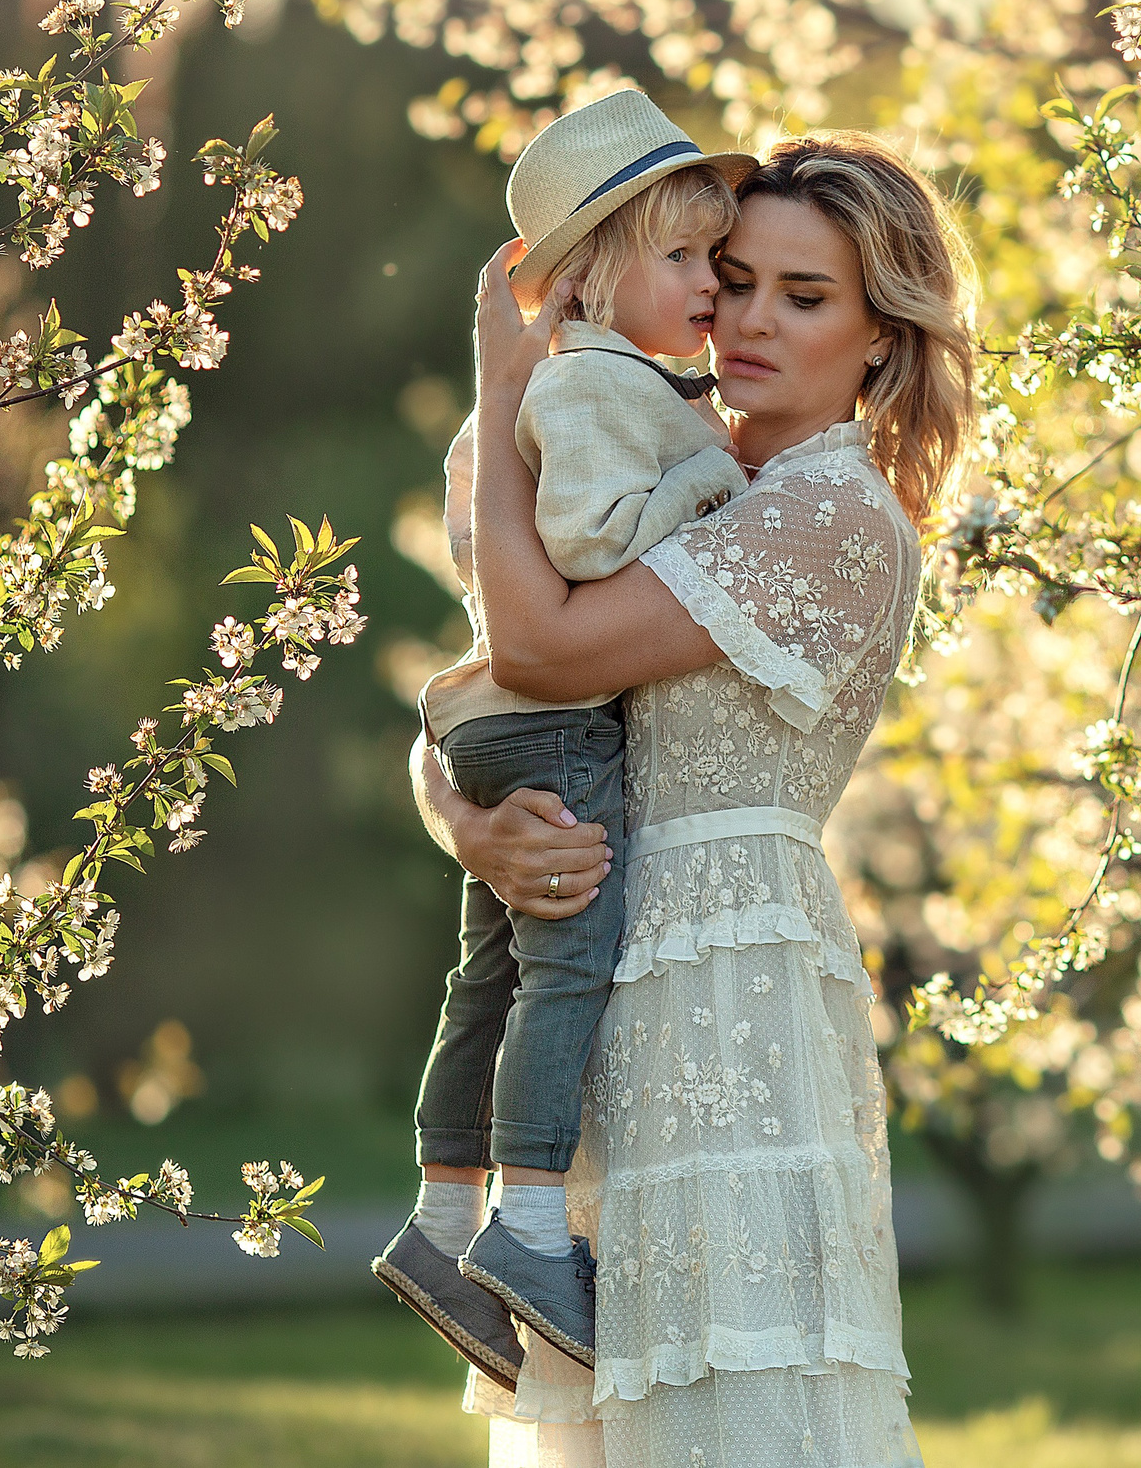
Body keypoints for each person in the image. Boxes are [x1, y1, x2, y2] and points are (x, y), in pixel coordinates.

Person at [413, 133, 975, 1465]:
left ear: (882, 337)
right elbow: (487, 689)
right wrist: (467, 825)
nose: (748, 317)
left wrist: (505, 392)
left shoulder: (834, 516)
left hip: (731, 998)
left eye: (806, 293)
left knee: (726, 1387)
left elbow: (543, 648)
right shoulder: (657, 458)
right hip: (596, 971)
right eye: (732, 275)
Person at [373, 90, 754, 1388]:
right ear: (591, 275)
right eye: (683, 257)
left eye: (715, 257)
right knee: (571, 962)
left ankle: (438, 1224)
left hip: (488, 720)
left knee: (489, 975)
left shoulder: (550, 390)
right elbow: (592, 545)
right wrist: (709, 480)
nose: (711, 285)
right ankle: (531, 1229)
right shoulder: (595, 384)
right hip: (554, 726)